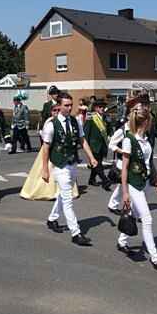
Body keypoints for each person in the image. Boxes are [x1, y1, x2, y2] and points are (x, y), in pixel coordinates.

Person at [117, 105, 157, 272]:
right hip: (134, 185)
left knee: (133, 213)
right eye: (151, 121)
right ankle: (155, 258)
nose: (151, 124)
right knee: (146, 218)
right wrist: (125, 192)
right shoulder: (129, 140)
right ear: (146, 121)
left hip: (145, 182)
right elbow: (124, 168)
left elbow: (150, 162)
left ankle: (122, 241)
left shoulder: (146, 140)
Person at [41, 92, 98, 246]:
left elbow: (82, 140)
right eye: (66, 105)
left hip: (72, 162)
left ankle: (52, 219)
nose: (69, 108)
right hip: (59, 165)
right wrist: (44, 169)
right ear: (58, 106)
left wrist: (91, 157)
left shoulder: (74, 121)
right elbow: (46, 148)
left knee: (62, 194)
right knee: (68, 199)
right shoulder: (51, 124)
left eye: (71, 105)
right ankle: (76, 233)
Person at [20, 102, 79, 200]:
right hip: (49, 148)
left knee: (62, 170)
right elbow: (45, 137)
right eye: (54, 110)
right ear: (51, 112)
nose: (56, 112)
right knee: (47, 168)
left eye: (58, 110)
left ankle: (61, 190)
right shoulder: (50, 121)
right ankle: (48, 190)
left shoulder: (64, 120)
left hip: (59, 150)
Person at [83, 99, 112, 191]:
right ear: (95, 108)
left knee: (97, 163)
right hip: (93, 145)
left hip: (102, 144)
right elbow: (86, 132)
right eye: (100, 107)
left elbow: (109, 128)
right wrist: (86, 145)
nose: (102, 108)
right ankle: (105, 180)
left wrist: (110, 134)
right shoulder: (91, 117)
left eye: (103, 107)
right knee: (98, 164)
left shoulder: (105, 117)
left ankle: (91, 179)